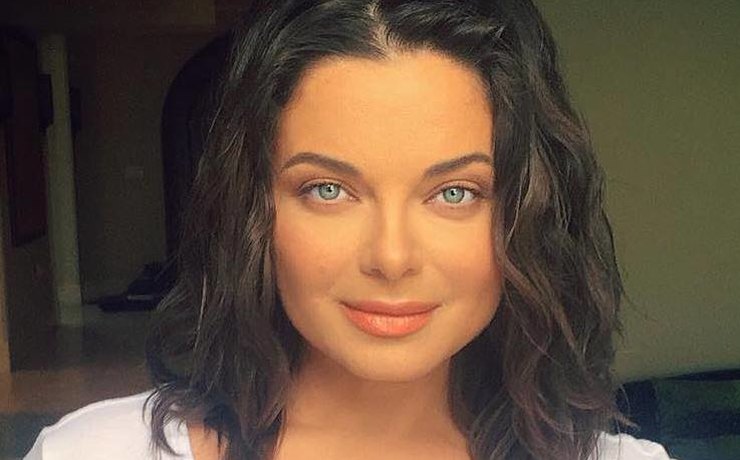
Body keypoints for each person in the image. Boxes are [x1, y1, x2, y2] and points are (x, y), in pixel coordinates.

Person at [25, 1, 676, 459]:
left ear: (529, 215)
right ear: (253, 213)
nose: (391, 257)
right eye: (328, 190)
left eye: (454, 193)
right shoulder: (89, 453)